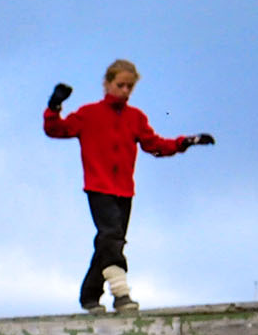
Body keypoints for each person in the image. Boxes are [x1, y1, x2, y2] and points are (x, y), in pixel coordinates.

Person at [44, 58, 214, 314]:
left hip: (124, 190)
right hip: (98, 186)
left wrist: (185, 142)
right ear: (107, 83)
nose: (125, 91)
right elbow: (56, 129)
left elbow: (154, 145)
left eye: (130, 87)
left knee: (110, 243)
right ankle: (121, 294)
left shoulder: (136, 118)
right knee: (111, 237)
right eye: (121, 85)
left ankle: (89, 296)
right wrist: (54, 105)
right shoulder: (88, 114)